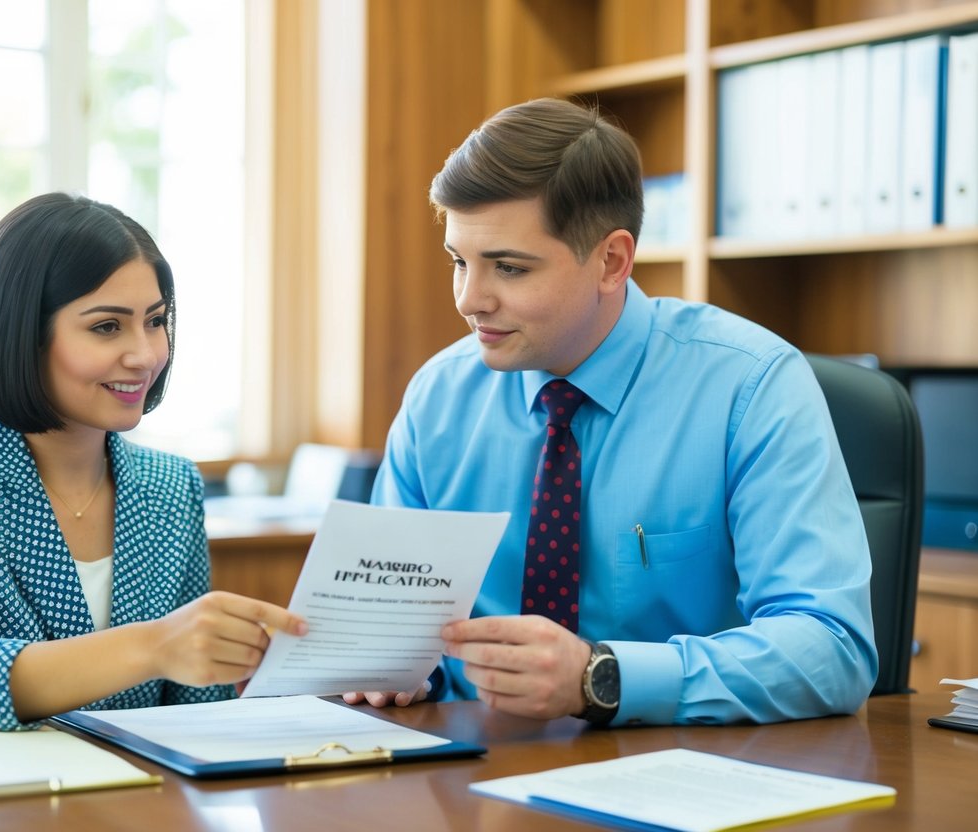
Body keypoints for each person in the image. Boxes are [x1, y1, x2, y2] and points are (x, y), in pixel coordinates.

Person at [347, 98, 877, 725]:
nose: (469, 300)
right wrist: (392, 669)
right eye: (459, 262)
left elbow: (832, 649)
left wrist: (602, 678)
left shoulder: (751, 387)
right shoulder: (437, 398)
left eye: (509, 268)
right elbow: (382, 628)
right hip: (470, 780)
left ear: (612, 261)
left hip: (682, 780)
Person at [0, 192, 306, 730]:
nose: (145, 355)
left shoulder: (170, 484)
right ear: (24, 334)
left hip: (132, 803)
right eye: (107, 327)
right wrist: (154, 645)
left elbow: (193, 710)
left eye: (155, 321)